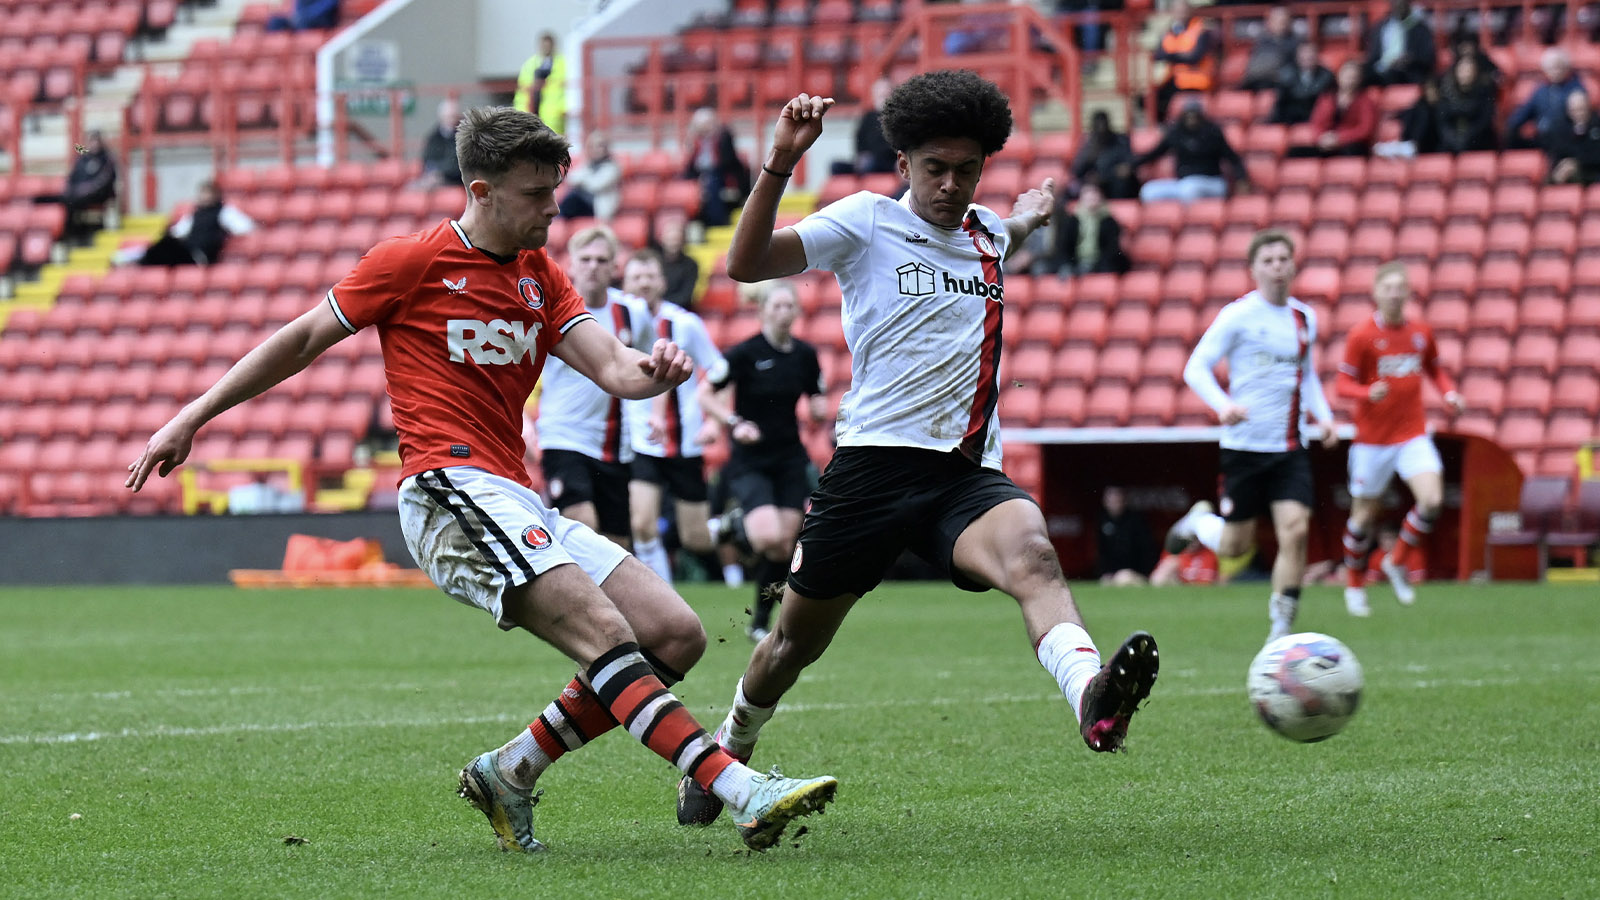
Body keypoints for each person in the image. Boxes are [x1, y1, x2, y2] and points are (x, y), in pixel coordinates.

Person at [124, 106, 836, 853]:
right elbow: (303, 337)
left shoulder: (542, 277)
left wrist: (652, 374)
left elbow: (613, 365)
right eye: (537, 194)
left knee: (674, 633)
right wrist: (193, 416)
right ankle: (738, 787)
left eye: (555, 191)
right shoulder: (411, 261)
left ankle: (512, 770)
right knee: (607, 634)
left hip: (510, 490)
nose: (553, 209)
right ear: (482, 189)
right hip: (444, 488)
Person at [673, 72, 1160, 827]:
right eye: (935, 167)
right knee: (790, 647)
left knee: (1032, 555)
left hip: (964, 473)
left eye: (968, 170)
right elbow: (745, 263)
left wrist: (1028, 216)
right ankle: (727, 748)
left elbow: (1008, 232)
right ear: (903, 163)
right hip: (871, 469)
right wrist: (779, 162)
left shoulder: (987, 233)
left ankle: (1092, 697)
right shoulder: (863, 222)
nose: (951, 184)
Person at [1172, 229, 1339, 644]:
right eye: (1269, 260)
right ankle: (1199, 522)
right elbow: (1196, 367)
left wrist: (1326, 416)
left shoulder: (1305, 318)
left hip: (1289, 446)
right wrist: (1222, 405)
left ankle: (1280, 629)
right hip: (1245, 448)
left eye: (1284, 259)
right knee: (1234, 546)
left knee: (1296, 529)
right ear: (1254, 270)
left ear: (1294, 265)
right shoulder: (1239, 315)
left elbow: (1308, 375)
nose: (1278, 266)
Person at [696, 280, 826, 640]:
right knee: (768, 538)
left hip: (788, 457)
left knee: (786, 545)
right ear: (764, 309)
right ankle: (736, 523)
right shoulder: (744, 353)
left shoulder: (805, 354)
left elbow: (816, 401)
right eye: (778, 306)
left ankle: (759, 621)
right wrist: (734, 423)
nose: (785, 312)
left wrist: (822, 410)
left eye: (790, 306)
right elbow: (705, 394)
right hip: (751, 459)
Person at [1333, 261, 1464, 617]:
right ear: (1376, 292)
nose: (1393, 293)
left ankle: (1396, 561)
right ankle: (1355, 585)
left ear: (1407, 293)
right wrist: (1365, 392)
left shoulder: (1420, 332)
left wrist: (1449, 394)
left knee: (1432, 499)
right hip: (1372, 441)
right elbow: (1342, 384)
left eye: (1399, 287)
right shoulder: (1361, 335)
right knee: (1362, 517)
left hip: (1411, 434)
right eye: (1387, 287)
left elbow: (1435, 369)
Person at [531, 226, 653, 549]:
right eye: (586, 259)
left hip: (614, 445)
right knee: (582, 528)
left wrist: (653, 413)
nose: (594, 266)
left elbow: (647, 366)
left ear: (615, 267)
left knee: (617, 546)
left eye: (602, 259)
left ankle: (606, 601)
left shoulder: (632, 313)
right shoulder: (550, 309)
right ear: (571, 264)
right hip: (563, 437)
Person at [620, 248, 726, 584]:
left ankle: (731, 529)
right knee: (641, 525)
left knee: (695, 537)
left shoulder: (684, 323)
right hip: (639, 440)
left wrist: (714, 421)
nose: (643, 283)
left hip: (685, 440)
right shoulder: (614, 324)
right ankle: (663, 592)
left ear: (662, 282)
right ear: (625, 284)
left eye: (650, 276)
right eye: (636, 277)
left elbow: (720, 371)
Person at [1135, 99, 1251, 204]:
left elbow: (1233, 158)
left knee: (1190, 188)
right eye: (1188, 115)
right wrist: (1132, 164)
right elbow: (1155, 152)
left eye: (1194, 115)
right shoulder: (1177, 133)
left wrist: (1241, 179)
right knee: (1148, 191)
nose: (1191, 119)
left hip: (1212, 182)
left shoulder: (1212, 133)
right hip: (1183, 183)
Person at [138, 180, 256, 266]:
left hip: (201, 256)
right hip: (189, 250)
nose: (204, 197)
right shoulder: (195, 214)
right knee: (164, 244)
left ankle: (142, 262)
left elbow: (245, 227)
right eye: (202, 193)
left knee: (166, 247)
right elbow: (179, 231)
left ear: (216, 195)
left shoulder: (224, 212)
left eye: (207, 193)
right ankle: (143, 262)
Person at [1288, 60, 1378, 157]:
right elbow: (1316, 123)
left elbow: (1364, 129)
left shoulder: (1366, 101)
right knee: (1295, 152)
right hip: (1326, 142)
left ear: (1359, 79)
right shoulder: (1326, 98)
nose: (1350, 79)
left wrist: (1340, 138)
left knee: (1352, 151)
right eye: (1347, 75)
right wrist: (1322, 138)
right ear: (1338, 76)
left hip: (1350, 144)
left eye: (1353, 76)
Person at [1150, 0, 1217, 123]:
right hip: (1175, 79)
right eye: (1178, 10)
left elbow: (1194, 57)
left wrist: (1172, 56)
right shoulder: (1170, 31)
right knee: (1147, 99)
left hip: (1196, 81)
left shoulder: (1201, 29)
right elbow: (1159, 55)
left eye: (1183, 10)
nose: (1181, 13)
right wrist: (1178, 56)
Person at [1507, 47, 1587, 150]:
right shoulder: (1540, 91)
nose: (1555, 71)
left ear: (1566, 68)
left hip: (1566, 138)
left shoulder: (1576, 89)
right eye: (1551, 68)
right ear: (1545, 70)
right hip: (1543, 138)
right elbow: (1524, 113)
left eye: (1559, 67)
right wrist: (1511, 125)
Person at [683, 107, 750, 228]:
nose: (704, 128)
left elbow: (728, 160)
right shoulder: (694, 140)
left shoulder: (724, 136)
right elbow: (690, 165)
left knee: (712, 182)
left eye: (706, 124)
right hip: (700, 174)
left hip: (723, 173)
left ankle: (717, 221)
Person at [1050, 181, 1129, 275]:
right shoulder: (1072, 220)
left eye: (1094, 194)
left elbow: (1112, 249)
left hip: (1101, 265)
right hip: (1077, 263)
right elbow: (1063, 246)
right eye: (1087, 195)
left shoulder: (1109, 221)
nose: (1091, 198)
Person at [59, 131, 118, 245]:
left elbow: (104, 181)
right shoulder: (82, 159)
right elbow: (72, 178)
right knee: (63, 199)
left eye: (96, 141)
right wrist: (73, 189)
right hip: (79, 194)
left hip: (99, 195)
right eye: (91, 141)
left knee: (72, 201)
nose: (94, 144)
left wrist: (86, 190)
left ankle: (76, 237)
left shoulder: (107, 159)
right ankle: (70, 236)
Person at [1435, 54, 1499, 153]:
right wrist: (1453, 139)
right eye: (1462, 70)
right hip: (1451, 145)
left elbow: (1484, 122)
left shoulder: (1484, 93)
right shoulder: (1446, 95)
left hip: (1479, 144)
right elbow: (1443, 123)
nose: (1465, 73)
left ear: (1476, 72)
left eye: (1469, 70)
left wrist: (1467, 138)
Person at [1069, 110, 1139, 199]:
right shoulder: (1089, 144)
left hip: (1117, 182)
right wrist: (1090, 156)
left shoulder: (1121, 140)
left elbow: (1129, 163)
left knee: (1123, 181)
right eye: (1098, 125)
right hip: (1097, 184)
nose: (1101, 128)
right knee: (1077, 187)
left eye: (1103, 124)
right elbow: (1077, 171)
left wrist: (1124, 168)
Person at [1363, 0, 1435, 87]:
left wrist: (1410, 60)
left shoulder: (1421, 29)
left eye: (1402, 2)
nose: (1399, 5)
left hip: (1408, 72)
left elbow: (1428, 58)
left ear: (1409, 4)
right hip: (1380, 72)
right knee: (1357, 75)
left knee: (1393, 74)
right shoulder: (1380, 27)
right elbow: (1372, 57)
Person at [1096, 485, 1157, 584]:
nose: (1114, 503)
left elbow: (1146, 550)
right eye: (1111, 499)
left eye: (1117, 499)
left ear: (1124, 500)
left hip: (1134, 573)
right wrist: (1105, 572)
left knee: (1124, 577)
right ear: (1104, 502)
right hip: (1110, 574)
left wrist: (1145, 573)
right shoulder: (1101, 521)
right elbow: (1101, 553)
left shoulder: (1136, 521)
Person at [840, 76, 898, 175]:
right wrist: (861, 156)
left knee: (871, 163)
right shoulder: (868, 117)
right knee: (837, 166)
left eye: (885, 95)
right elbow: (859, 141)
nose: (882, 99)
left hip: (887, 161)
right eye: (880, 95)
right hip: (868, 161)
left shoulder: (897, 118)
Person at [558, 130, 622, 221]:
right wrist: (583, 180)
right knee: (571, 197)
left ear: (606, 148)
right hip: (583, 205)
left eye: (599, 146)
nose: (595, 149)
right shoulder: (587, 164)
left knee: (573, 197)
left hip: (598, 209)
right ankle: (557, 220)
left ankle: (555, 219)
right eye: (592, 146)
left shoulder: (612, 167)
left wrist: (582, 181)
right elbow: (571, 179)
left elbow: (596, 185)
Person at [1269, 42, 1334, 126]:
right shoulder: (1286, 75)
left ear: (1317, 56)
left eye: (1311, 54)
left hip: (1316, 116)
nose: (1308, 57)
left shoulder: (1327, 76)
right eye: (1304, 54)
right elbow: (1281, 104)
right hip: (1290, 119)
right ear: (1297, 57)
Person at [513, 32, 567, 134]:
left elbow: (566, 89)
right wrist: (520, 111)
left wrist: (562, 109)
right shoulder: (530, 64)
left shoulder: (563, 64)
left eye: (548, 45)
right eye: (543, 45)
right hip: (532, 111)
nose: (545, 48)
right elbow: (522, 91)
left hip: (554, 115)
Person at [1544, 91, 1600, 184]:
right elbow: (1557, 152)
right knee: (1550, 178)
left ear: (1588, 108)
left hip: (1592, 172)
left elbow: (1596, 155)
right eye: (1574, 110)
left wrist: (1576, 163)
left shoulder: (1597, 124)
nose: (1578, 113)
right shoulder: (1562, 127)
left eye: (1581, 109)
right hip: (1566, 170)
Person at [1240, 6, 1301, 91]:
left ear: (1290, 22)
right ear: (1269, 22)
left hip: (1283, 85)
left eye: (1284, 21)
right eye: (1278, 21)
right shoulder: (1261, 41)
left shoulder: (1297, 43)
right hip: (1258, 82)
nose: (1281, 24)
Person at [653, 217, 700, 308]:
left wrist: (660, 305)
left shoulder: (691, 265)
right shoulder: (655, 262)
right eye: (670, 239)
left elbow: (685, 296)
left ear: (683, 241)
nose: (673, 243)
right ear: (662, 239)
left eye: (677, 239)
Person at [265, 0, 338, 31]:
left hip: (322, 19)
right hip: (302, 18)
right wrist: (298, 16)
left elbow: (329, 4)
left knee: (303, 21)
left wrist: (307, 14)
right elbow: (298, 7)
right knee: (276, 21)